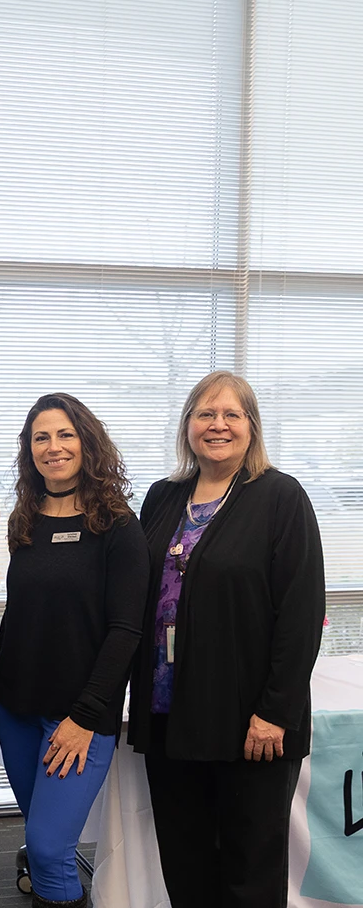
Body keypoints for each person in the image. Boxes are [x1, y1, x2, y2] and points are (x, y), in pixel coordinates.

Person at [128, 371, 324, 908]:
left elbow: (301, 614)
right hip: (169, 714)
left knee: (249, 871)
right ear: (188, 425)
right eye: (205, 414)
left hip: (249, 723)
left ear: (251, 427)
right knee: (186, 863)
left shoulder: (280, 497)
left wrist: (276, 712)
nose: (217, 425)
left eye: (231, 415)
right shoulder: (163, 497)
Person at [0, 394, 150, 908]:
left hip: (76, 716)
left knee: (51, 847)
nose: (52, 447)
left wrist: (84, 717)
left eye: (64, 435)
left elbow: (125, 631)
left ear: (87, 442)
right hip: (14, 708)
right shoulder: (25, 519)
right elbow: (20, 614)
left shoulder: (117, 525)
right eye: (40, 437)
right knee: (40, 842)